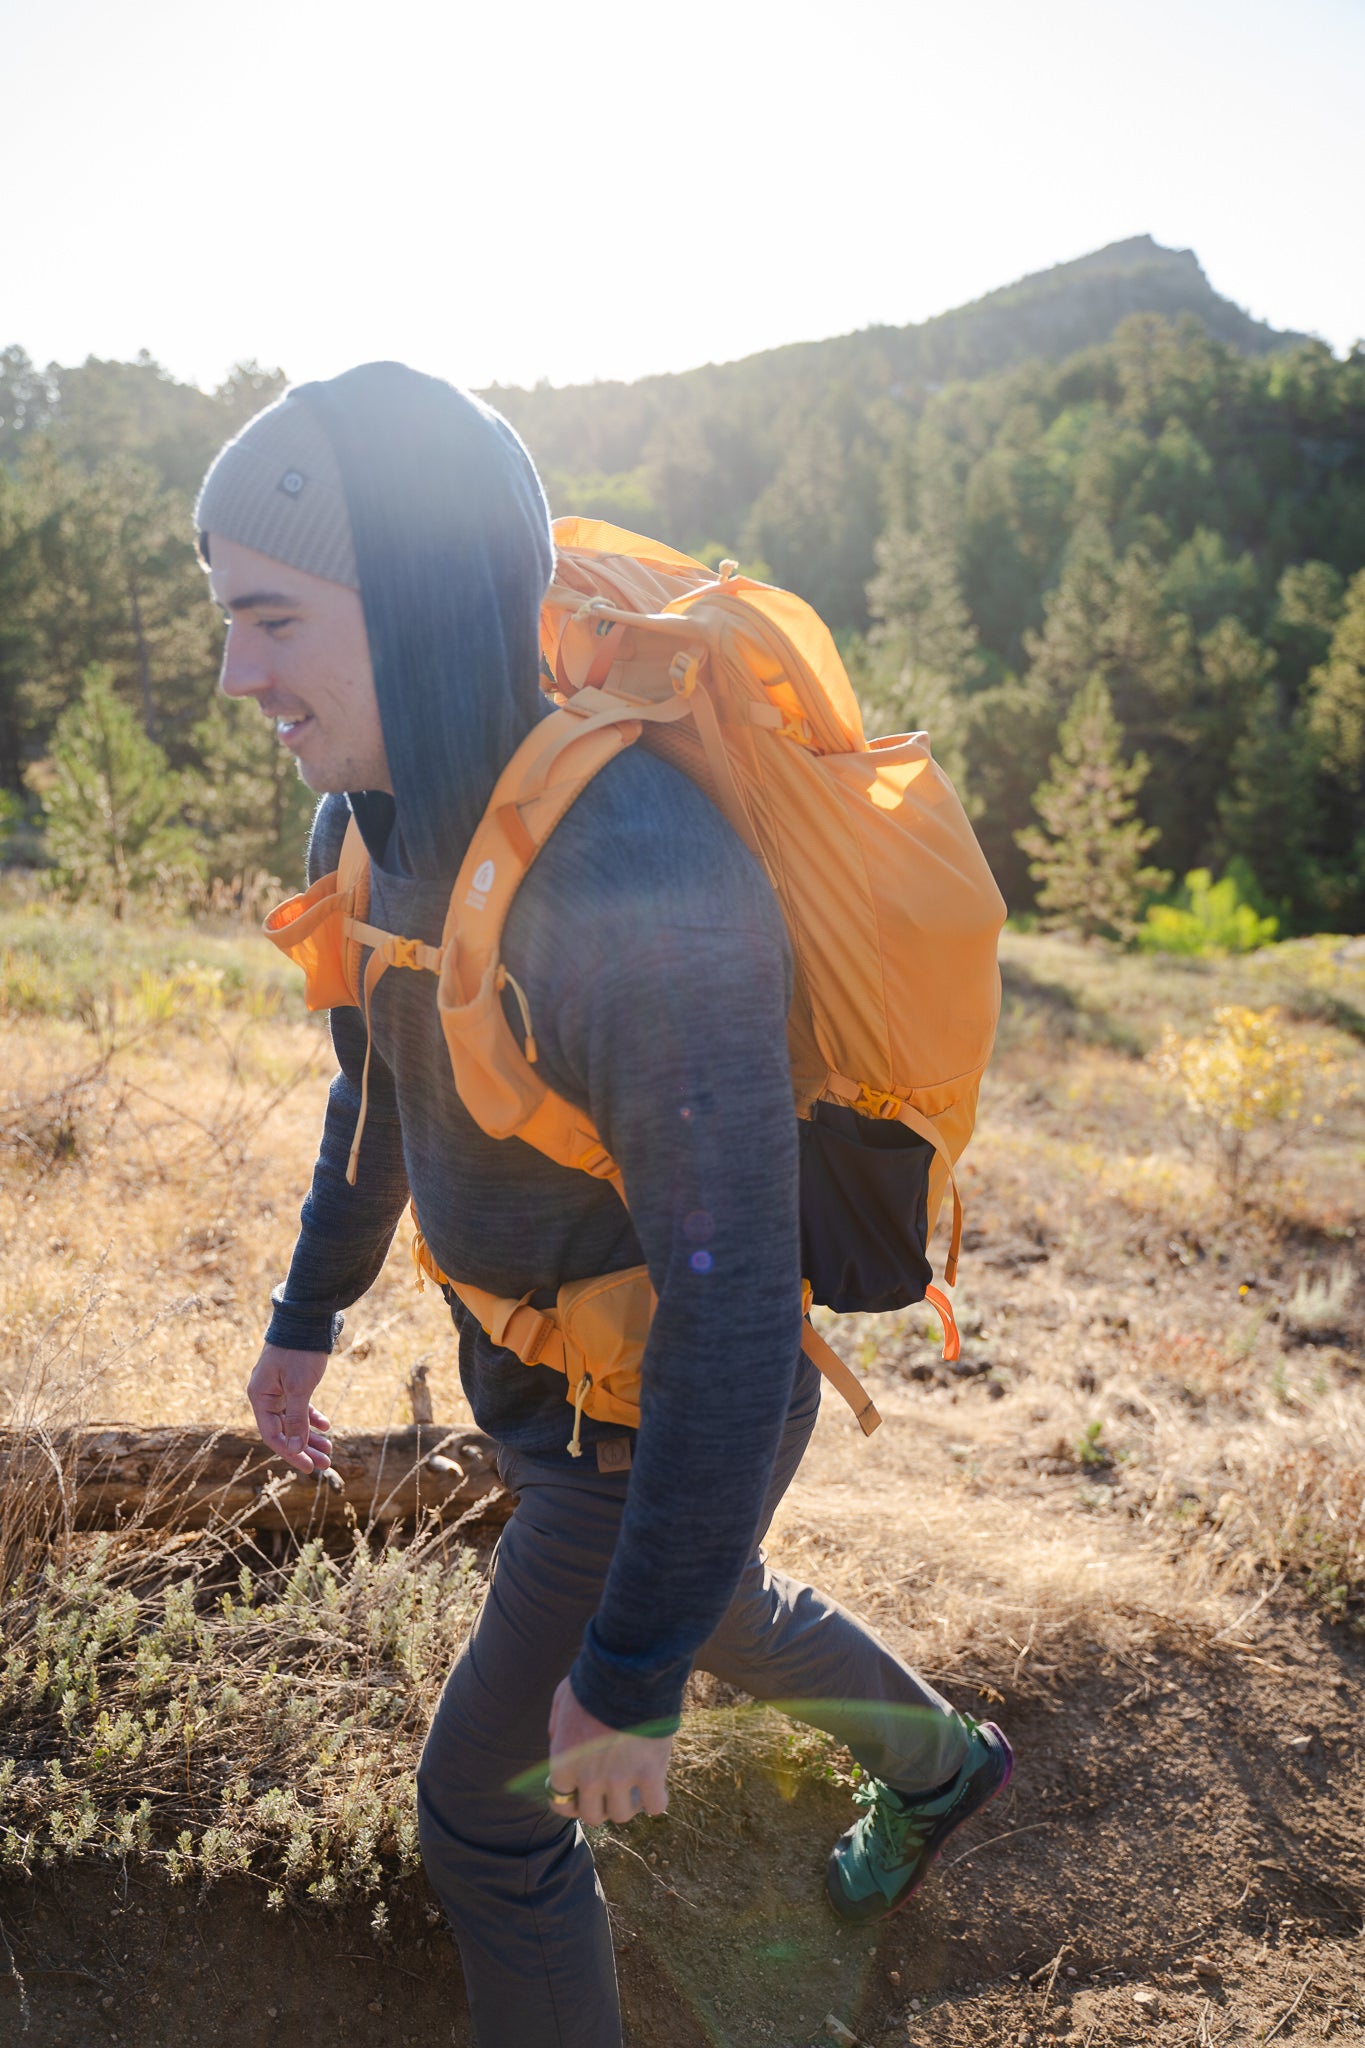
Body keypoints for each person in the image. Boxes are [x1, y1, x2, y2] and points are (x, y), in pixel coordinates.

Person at [195, 363, 1012, 2048]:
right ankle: (942, 1766)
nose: (235, 674)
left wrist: (626, 1687)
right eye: (226, 620)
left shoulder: (638, 881)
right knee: (712, 1599)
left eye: (270, 619)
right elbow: (383, 1084)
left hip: (642, 1414)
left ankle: (862, 1739)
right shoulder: (380, 814)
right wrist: (301, 1318)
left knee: (488, 1816)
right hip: (550, 1389)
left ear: (407, 596)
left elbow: (730, 1310)